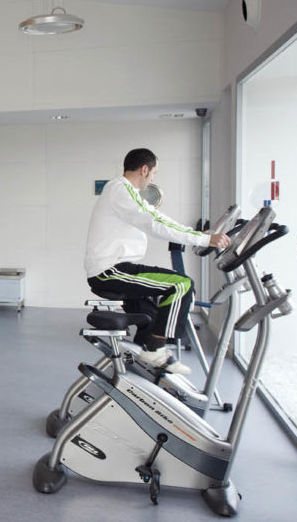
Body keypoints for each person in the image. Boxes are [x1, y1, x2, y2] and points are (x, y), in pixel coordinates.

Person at [84, 148, 231, 375]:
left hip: (117, 267)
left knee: (153, 316)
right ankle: (156, 349)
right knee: (182, 285)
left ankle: (148, 356)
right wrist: (203, 239)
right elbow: (154, 222)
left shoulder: (122, 191)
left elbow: (157, 217)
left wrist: (199, 236)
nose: (153, 178)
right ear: (144, 169)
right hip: (110, 271)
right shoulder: (121, 189)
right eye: (154, 173)